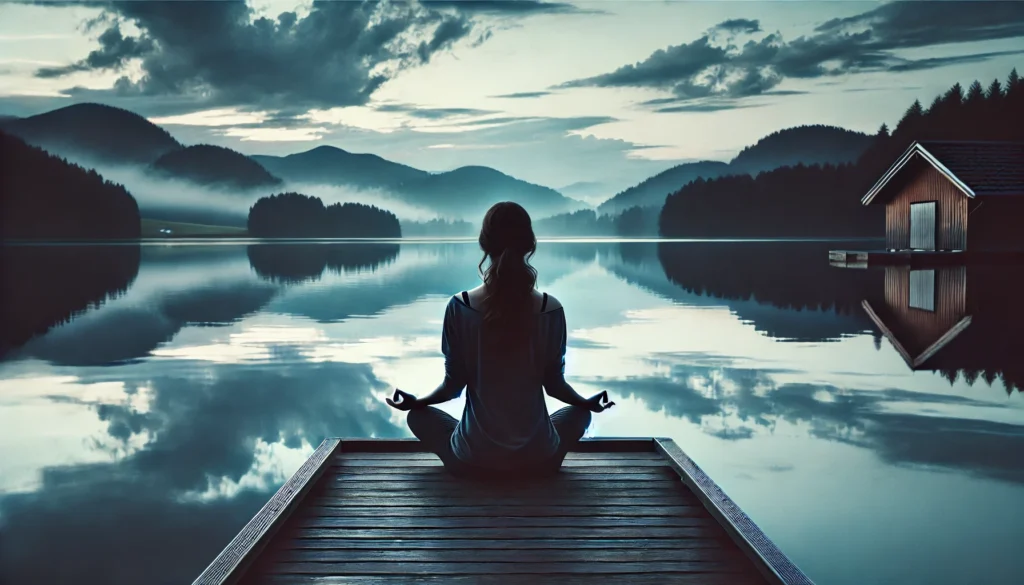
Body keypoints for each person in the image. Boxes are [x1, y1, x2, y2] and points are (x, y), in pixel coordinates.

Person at [385, 201, 615, 478]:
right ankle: (532, 459)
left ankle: (476, 458)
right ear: (530, 244)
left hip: (473, 461)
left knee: (418, 416)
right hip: (538, 461)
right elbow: (554, 386)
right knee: (580, 414)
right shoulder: (550, 309)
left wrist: (418, 401)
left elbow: (453, 387)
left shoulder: (460, 306)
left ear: (484, 245)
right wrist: (586, 402)